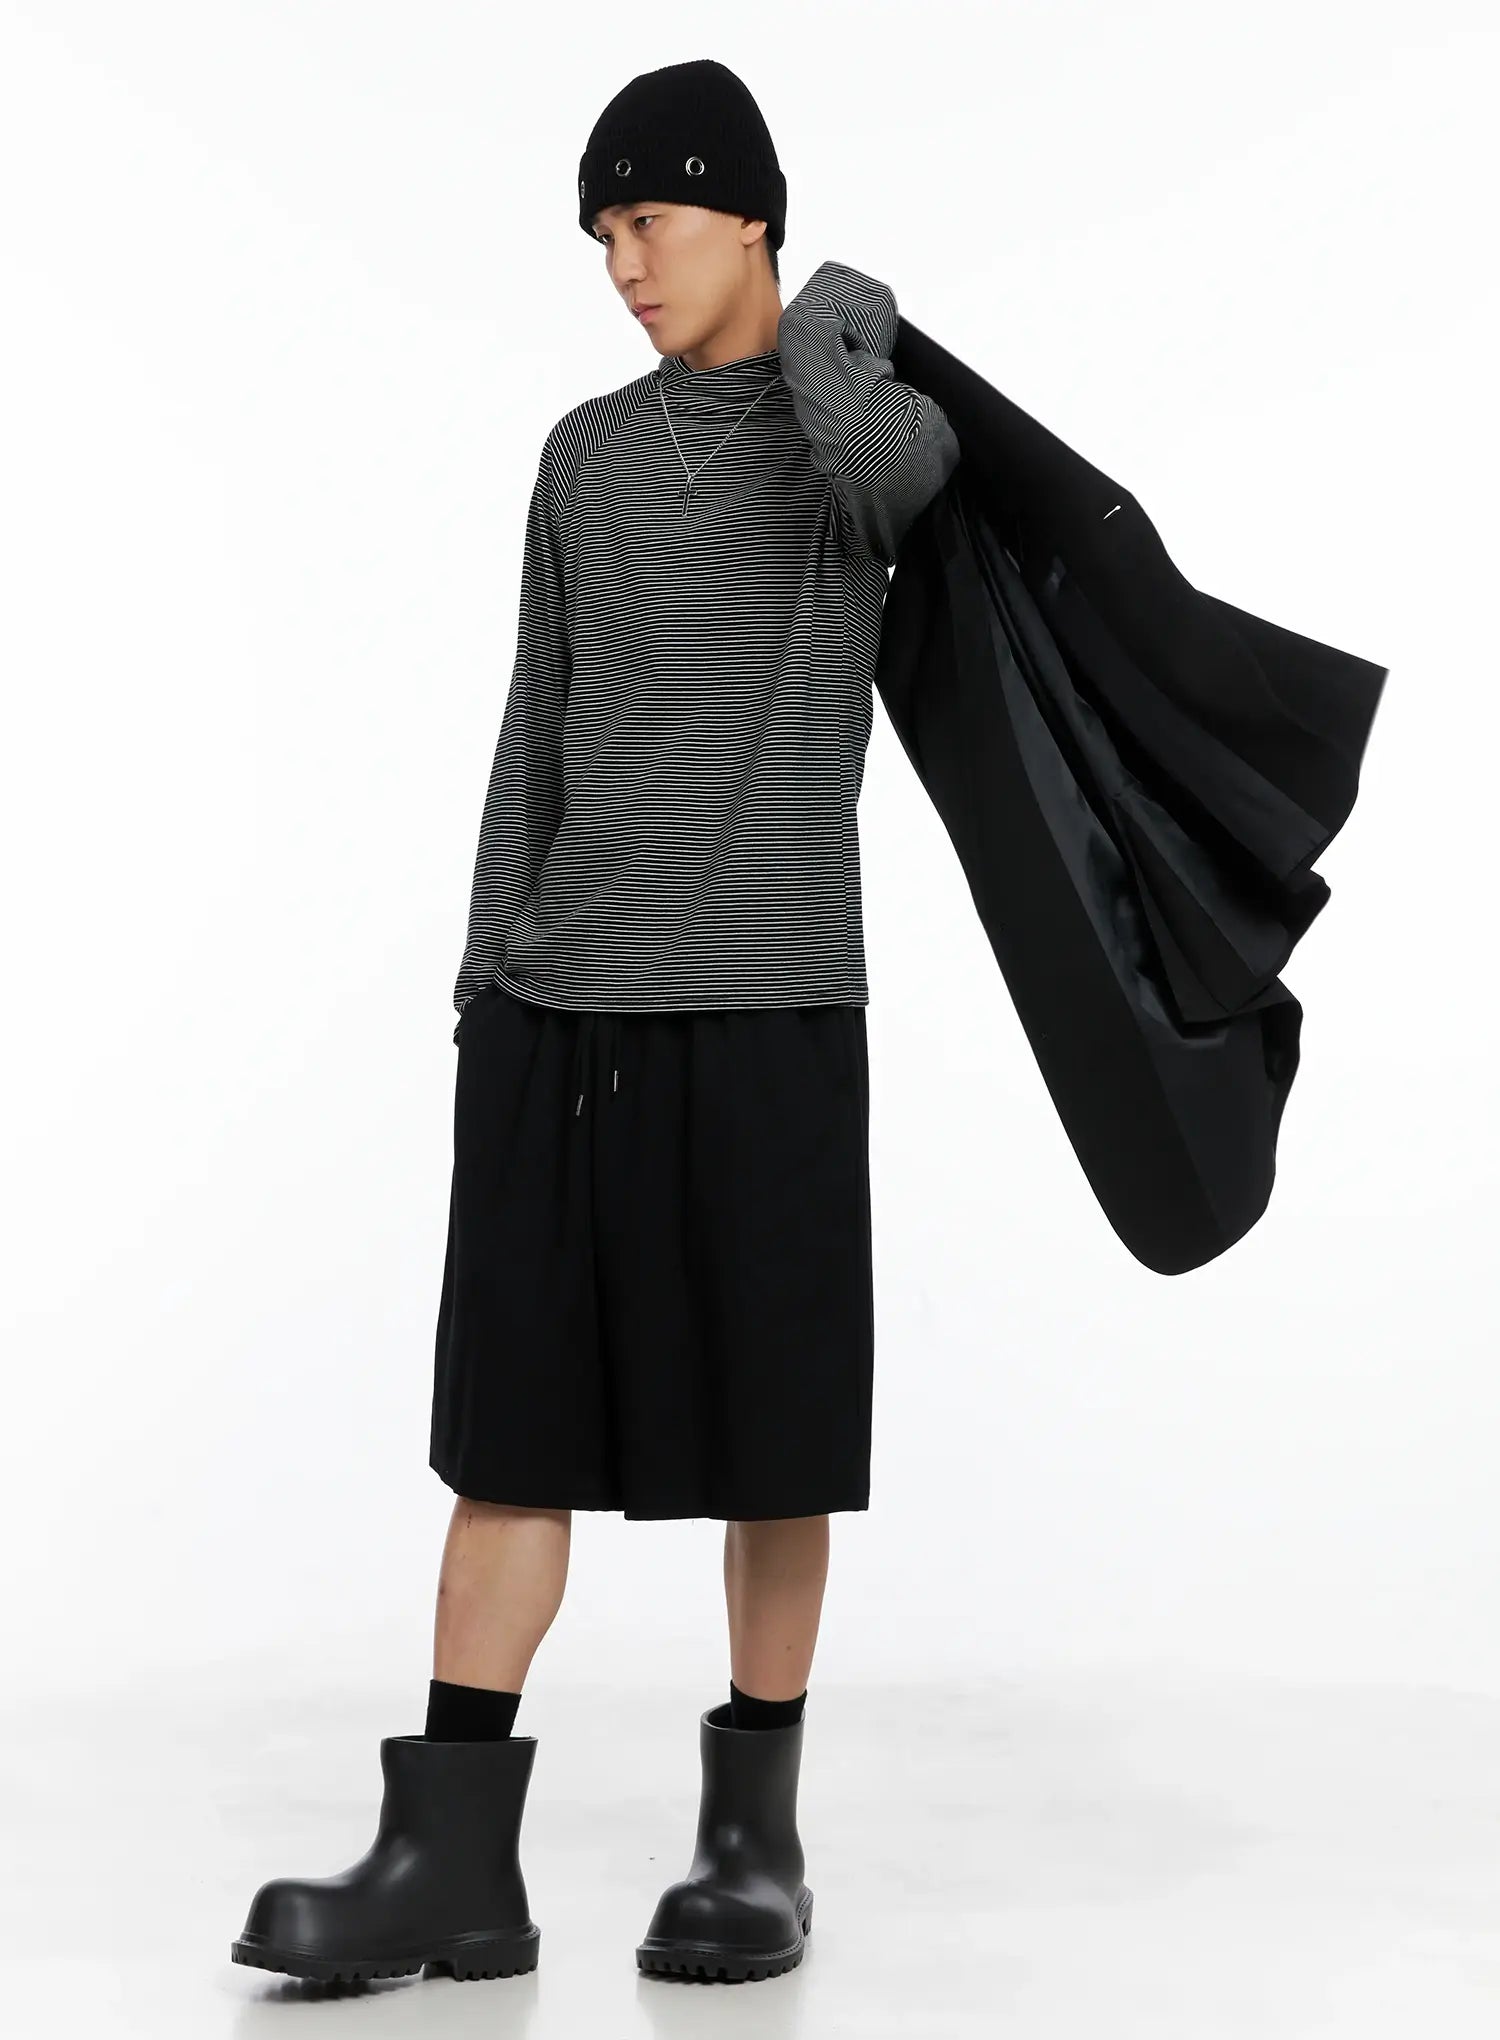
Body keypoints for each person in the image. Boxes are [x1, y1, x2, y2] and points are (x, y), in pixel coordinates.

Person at [230, 57, 960, 1989]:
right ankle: (447, 1863)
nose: (622, 265)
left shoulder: (862, 420)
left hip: (771, 1000)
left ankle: (754, 1850)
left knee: (775, 1447)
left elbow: (894, 478)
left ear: (747, 213)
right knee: (509, 1441)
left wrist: (820, 313)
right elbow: (533, 730)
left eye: (651, 220)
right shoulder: (583, 457)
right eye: (602, 235)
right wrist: (490, 979)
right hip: (562, 1011)